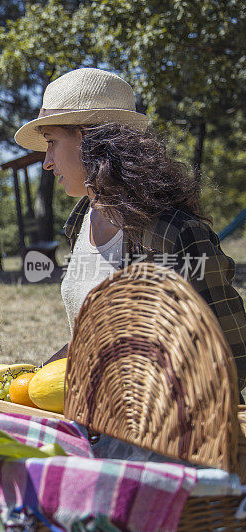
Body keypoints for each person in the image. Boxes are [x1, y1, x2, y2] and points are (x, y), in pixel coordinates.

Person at [14, 67, 246, 389]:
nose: (47, 162)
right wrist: (37, 377)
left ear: (85, 138)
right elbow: (93, 336)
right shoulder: (80, 223)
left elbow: (231, 355)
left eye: (52, 142)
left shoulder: (173, 233)